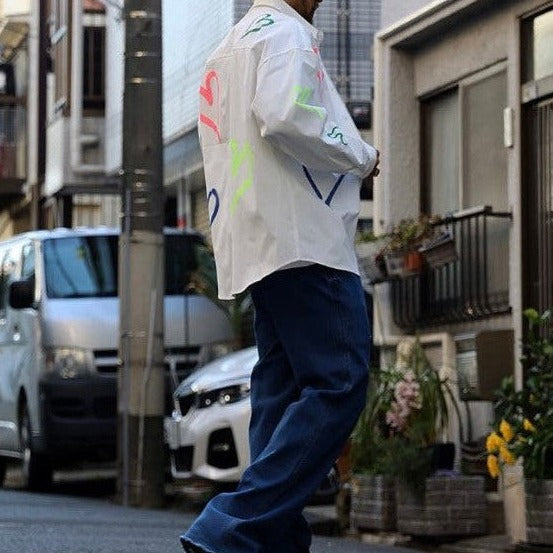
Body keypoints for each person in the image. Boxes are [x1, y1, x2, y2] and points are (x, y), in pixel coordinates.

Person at [181, 0, 380, 551]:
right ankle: (236, 524)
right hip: (304, 239)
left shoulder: (231, 46)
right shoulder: (287, 37)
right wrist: (362, 154)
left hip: (255, 241)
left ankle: (273, 537)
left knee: (281, 388)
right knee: (339, 382)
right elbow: (284, 115)